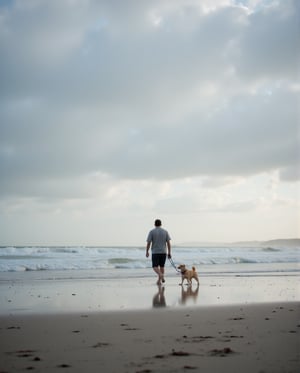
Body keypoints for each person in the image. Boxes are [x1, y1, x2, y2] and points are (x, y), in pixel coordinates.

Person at [146, 219, 171, 285]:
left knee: (155, 266)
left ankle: (161, 275)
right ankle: (159, 281)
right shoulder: (165, 231)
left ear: (154, 224)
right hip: (163, 252)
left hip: (155, 252)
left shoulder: (152, 231)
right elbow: (168, 243)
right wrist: (169, 252)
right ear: (161, 224)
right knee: (162, 267)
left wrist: (147, 251)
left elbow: (149, 242)